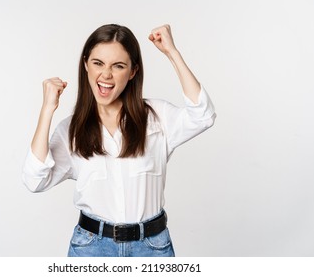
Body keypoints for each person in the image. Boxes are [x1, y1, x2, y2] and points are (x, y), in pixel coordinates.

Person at [22, 24, 216, 257]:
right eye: (98, 63)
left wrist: (172, 53)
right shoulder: (71, 130)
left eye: (118, 66)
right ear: (85, 65)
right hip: (91, 249)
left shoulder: (157, 117)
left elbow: (203, 116)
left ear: (133, 71)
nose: (106, 74)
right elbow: (34, 180)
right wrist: (47, 110)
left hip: (152, 248)